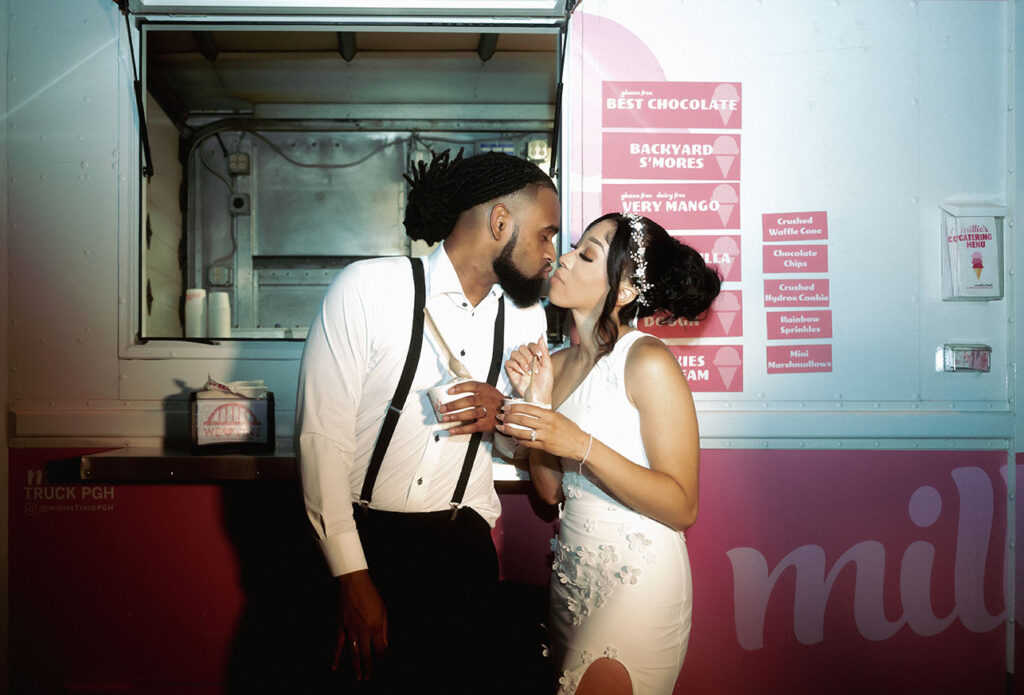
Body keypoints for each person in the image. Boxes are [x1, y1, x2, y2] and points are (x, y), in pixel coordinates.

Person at [296, 149, 560, 693]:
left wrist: (504, 416)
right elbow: (321, 440)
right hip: (366, 544)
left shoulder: (526, 316)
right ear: (500, 222)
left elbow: (518, 451)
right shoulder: (368, 288)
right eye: (546, 234)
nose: (552, 253)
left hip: (464, 555)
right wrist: (352, 575)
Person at [498, 212, 721, 695]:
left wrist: (580, 444)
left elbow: (683, 506)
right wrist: (536, 406)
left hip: (639, 582)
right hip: (572, 581)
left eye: (586, 255)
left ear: (622, 292)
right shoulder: (554, 365)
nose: (564, 258)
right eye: (573, 247)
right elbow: (551, 492)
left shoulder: (647, 360)